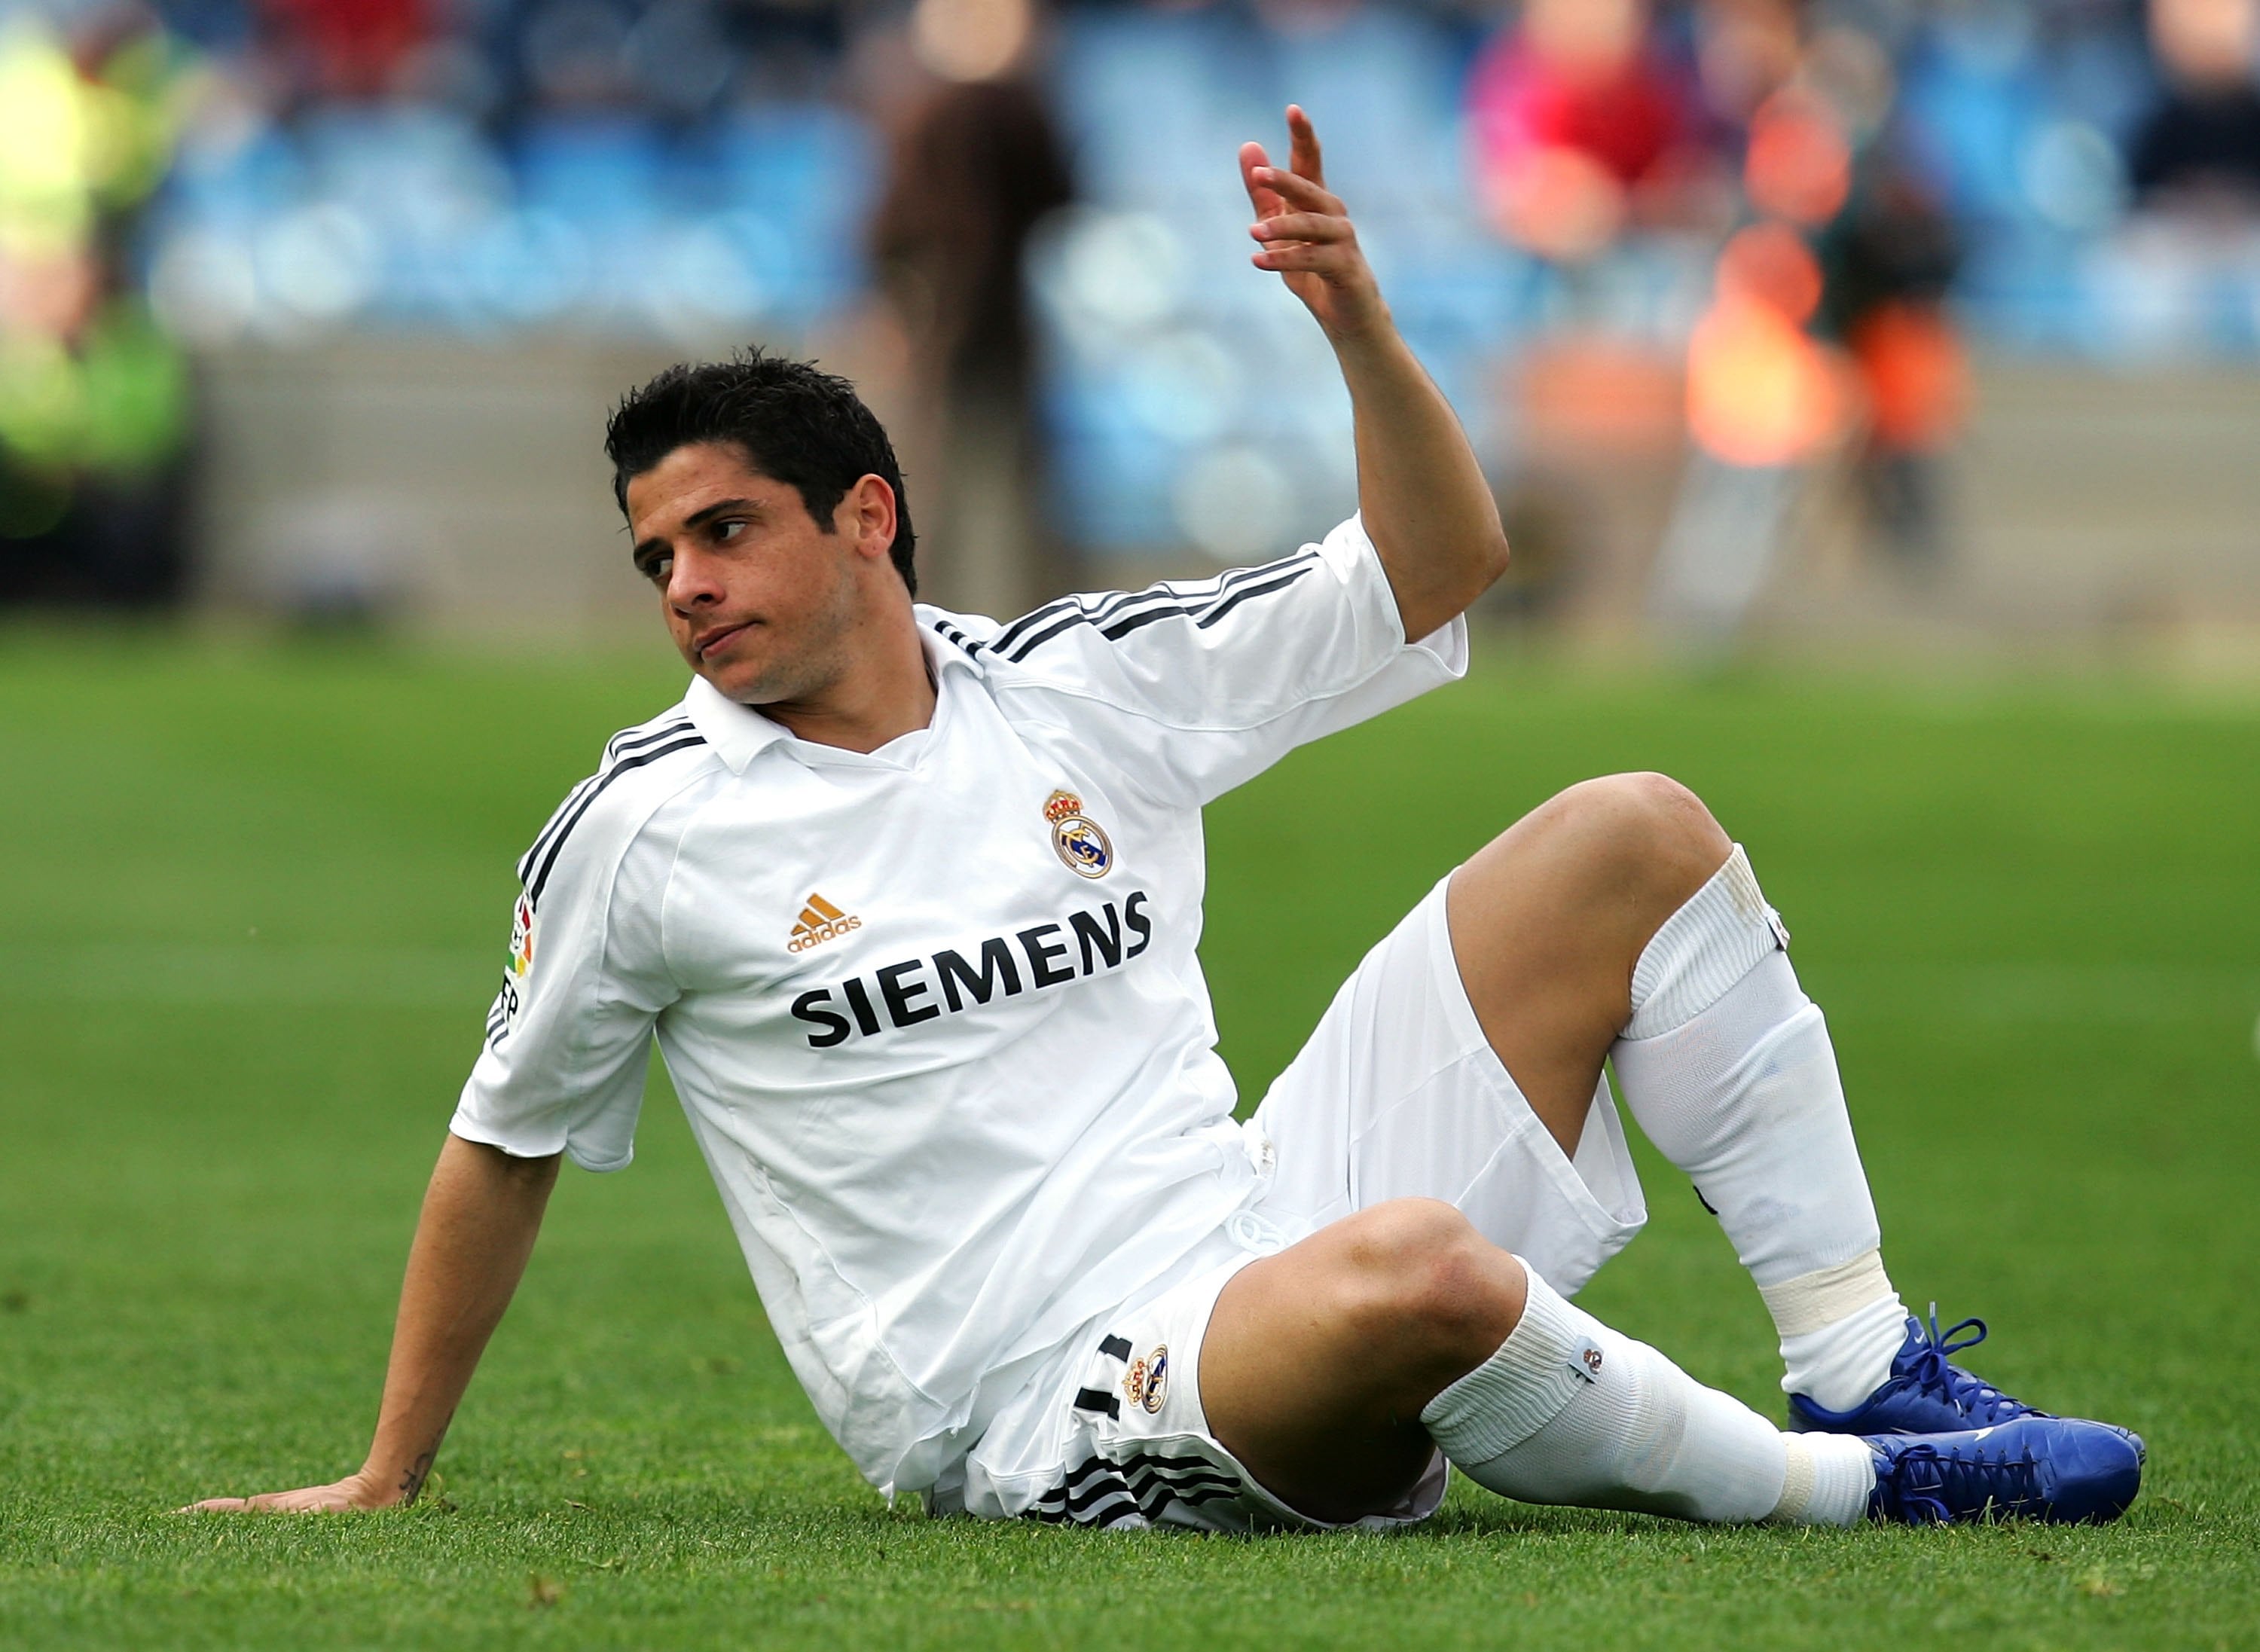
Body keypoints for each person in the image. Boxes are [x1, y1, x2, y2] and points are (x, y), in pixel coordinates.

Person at [188, 109, 2142, 1533]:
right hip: (1040, 1395)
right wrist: (384, 1471)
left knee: (1636, 824)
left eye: (725, 529)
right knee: (1430, 1280)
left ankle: (1860, 1357)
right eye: (654, 558)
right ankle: (1851, 1495)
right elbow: (500, 1139)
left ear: (866, 512)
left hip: (1254, 1225)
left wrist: (1360, 320)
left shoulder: (1080, 683)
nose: (685, 585)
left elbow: (1443, 560)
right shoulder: (644, 824)